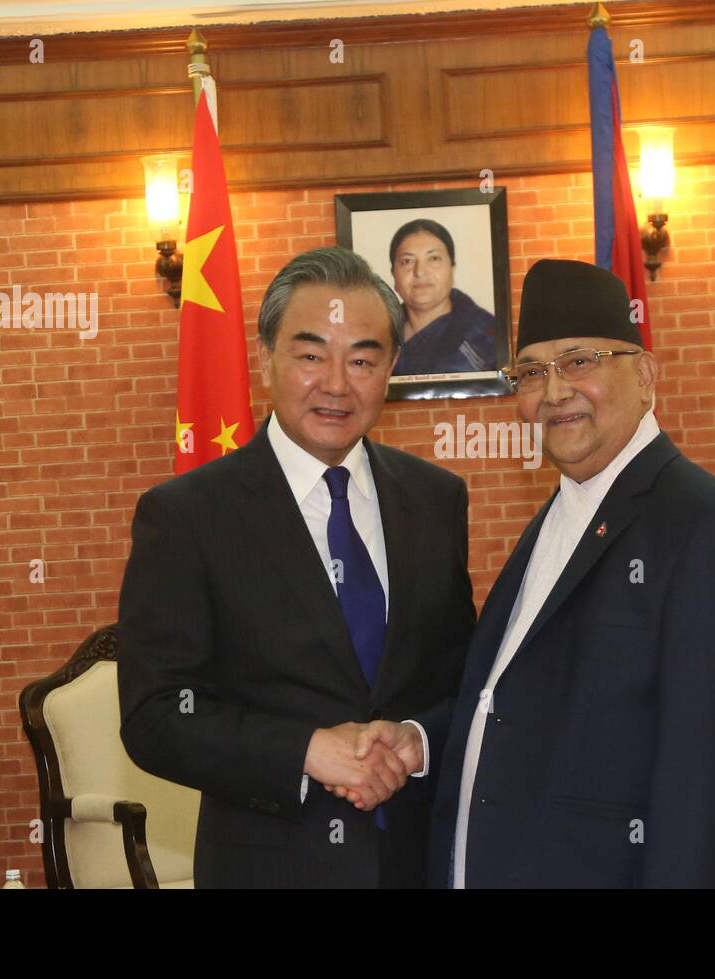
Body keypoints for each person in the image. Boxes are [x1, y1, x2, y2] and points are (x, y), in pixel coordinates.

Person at [117, 246, 475, 888]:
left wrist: (418, 738)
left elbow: (465, 685)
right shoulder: (189, 515)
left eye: (362, 360)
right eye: (311, 355)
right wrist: (308, 752)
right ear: (267, 357)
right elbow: (158, 716)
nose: (337, 384)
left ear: (392, 366)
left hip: (419, 864)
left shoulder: (436, 499)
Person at [428, 259, 715, 888]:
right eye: (532, 372)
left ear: (645, 375)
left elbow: (703, 783)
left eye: (579, 361)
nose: (555, 391)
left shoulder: (711, 527)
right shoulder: (550, 522)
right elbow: (500, 710)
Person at [388, 218, 496, 375]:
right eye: (407, 261)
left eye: (433, 258)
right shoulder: (381, 332)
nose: (420, 271)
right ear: (394, 275)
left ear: (452, 269)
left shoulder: (485, 335)